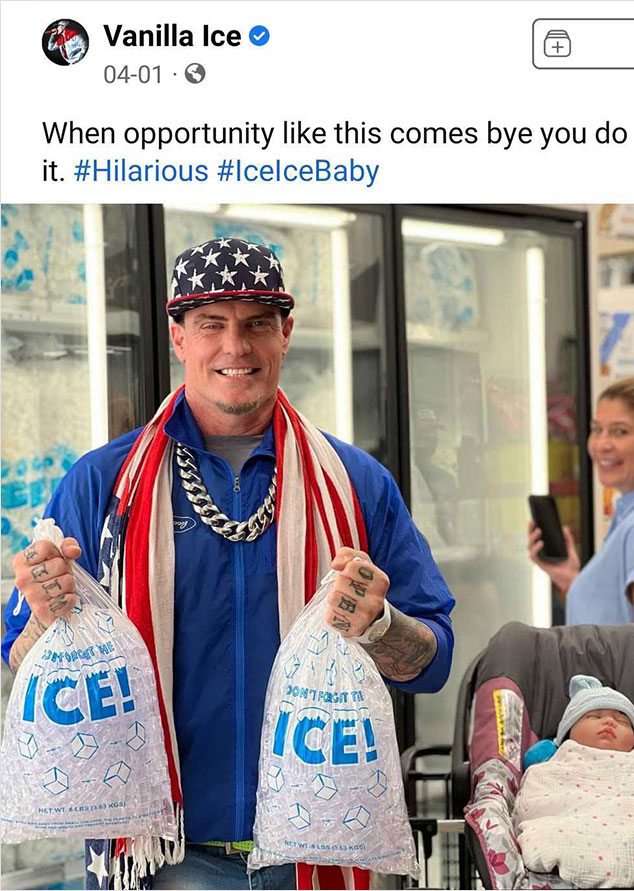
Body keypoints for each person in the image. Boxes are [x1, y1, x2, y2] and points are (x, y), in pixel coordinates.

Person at [2, 238, 455, 891]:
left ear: (286, 334)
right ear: (178, 337)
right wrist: (46, 619)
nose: (235, 347)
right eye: (212, 323)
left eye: (257, 324)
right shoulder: (104, 486)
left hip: (320, 855)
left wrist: (381, 624)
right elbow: (15, 666)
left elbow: (434, 661)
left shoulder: (355, 484)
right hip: (166, 857)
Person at [528, 376, 634, 644]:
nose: (602, 444)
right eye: (597, 429)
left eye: (620, 431)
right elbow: (619, 621)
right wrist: (570, 578)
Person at [513, 676, 634, 889]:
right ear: (568, 730)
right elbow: (537, 795)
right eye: (594, 716)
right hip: (570, 818)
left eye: (623, 721)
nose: (609, 722)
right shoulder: (559, 758)